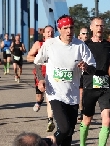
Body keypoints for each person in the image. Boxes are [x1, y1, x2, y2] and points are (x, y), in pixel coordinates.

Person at [34, 14, 96, 146]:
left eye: (71, 27)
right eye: (65, 28)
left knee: (68, 135)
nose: (69, 31)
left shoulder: (80, 45)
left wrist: (86, 66)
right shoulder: (50, 44)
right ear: (59, 29)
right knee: (64, 128)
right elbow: (37, 63)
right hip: (55, 93)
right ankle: (46, 142)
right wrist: (40, 79)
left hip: (72, 95)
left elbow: (93, 68)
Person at [80, 17, 110, 146]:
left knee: (107, 120)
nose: (99, 28)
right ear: (91, 28)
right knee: (87, 120)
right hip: (90, 87)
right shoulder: (85, 46)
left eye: (101, 25)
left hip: (105, 88)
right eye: (97, 25)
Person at [27, 25, 55, 132]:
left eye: (52, 32)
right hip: (40, 74)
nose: (50, 34)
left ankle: (50, 120)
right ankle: (39, 102)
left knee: (50, 98)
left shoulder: (57, 44)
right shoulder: (39, 44)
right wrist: (41, 60)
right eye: (48, 32)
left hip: (53, 75)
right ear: (43, 34)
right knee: (39, 96)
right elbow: (29, 57)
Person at [77, 27, 89, 121]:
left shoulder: (90, 45)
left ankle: (82, 111)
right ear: (79, 35)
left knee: (84, 94)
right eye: (83, 33)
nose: (85, 35)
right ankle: (80, 111)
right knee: (80, 93)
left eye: (87, 33)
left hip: (87, 73)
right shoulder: (75, 45)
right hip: (77, 73)